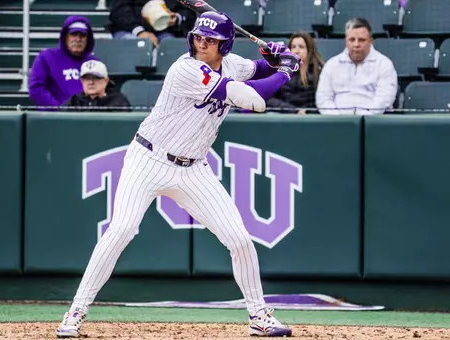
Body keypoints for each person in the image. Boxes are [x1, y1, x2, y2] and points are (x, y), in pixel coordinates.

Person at [56, 11, 301, 338]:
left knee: (240, 239)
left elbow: (255, 69)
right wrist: (285, 71)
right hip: (148, 158)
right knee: (122, 229)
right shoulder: (184, 69)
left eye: (210, 40)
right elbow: (251, 99)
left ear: (225, 45)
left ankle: (259, 315)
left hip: (193, 168)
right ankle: (76, 311)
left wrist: (275, 56)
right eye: (199, 36)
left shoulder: (231, 64)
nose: (201, 43)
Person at [315, 17, 398, 115]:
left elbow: (384, 99)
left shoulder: (384, 64)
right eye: (352, 40)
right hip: (337, 123)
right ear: (346, 41)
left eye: (362, 40)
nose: (356, 44)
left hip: (372, 123)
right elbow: (323, 99)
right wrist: (339, 120)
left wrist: (361, 120)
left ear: (371, 41)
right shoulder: (331, 65)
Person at [28, 16, 99, 110]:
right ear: (65, 37)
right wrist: (59, 110)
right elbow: (36, 89)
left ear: (87, 39)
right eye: (73, 34)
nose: (78, 39)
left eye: (82, 35)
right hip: (54, 118)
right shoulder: (46, 57)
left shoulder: (94, 63)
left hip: (86, 118)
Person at [267, 32, 325, 114]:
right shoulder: (279, 70)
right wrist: (294, 111)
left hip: (310, 115)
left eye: (301, 47)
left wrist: (307, 112)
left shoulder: (319, 70)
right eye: (293, 47)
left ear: (309, 50)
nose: (296, 51)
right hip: (285, 114)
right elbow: (269, 98)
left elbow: (323, 98)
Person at [107, 0, 196, 47]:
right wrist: (139, 32)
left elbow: (189, 12)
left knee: (171, 45)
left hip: (166, 31)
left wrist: (177, 18)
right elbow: (119, 12)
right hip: (131, 30)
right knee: (134, 43)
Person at [62, 60, 132, 112]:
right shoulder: (74, 101)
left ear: (106, 81)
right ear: (82, 81)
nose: (91, 82)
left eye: (96, 78)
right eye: (86, 78)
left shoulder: (118, 102)